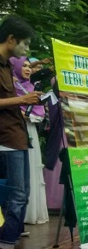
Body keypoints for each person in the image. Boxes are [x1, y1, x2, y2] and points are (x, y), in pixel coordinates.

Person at [0, 16, 42, 249]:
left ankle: (8, 243)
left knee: (22, 194)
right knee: (14, 196)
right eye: (24, 44)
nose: (26, 50)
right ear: (11, 39)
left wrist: (27, 100)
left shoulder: (6, 66)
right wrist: (22, 99)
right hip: (4, 139)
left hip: (17, 135)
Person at [10, 56, 49, 226]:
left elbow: (40, 112)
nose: (27, 69)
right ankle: (16, 219)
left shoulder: (31, 87)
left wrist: (31, 116)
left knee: (32, 170)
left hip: (30, 128)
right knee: (19, 178)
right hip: (14, 132)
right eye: (23, 66)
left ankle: (31, 213)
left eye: (28, 66)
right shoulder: (10, 89)